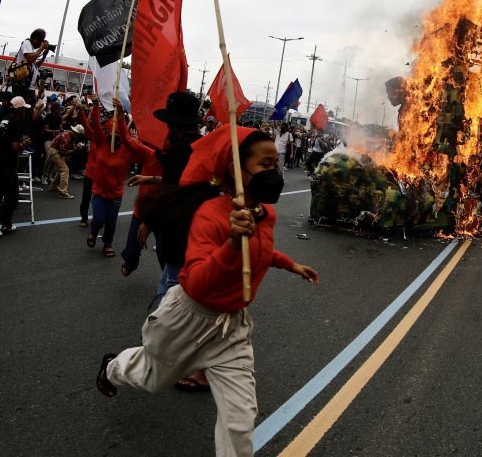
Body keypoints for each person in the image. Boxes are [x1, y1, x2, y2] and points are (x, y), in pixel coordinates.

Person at [96, 126, 319, 456]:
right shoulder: (211, 216)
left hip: (232, 327)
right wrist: (231, 243)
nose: (275, 173)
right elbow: (198, 282)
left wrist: (290, 265)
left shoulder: (265, 214)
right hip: (187, 318)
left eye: (276, 164)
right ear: (235, 171)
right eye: (266, 164)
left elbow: (260, 251)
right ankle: (113, 368)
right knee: (153, 379)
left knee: (240, 418)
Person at [120, 91, 201, 279]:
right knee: (167, 269)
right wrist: (150, 179)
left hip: (172, 221)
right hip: (189, 227)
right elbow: (182, 182)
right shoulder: (199, 146)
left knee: (170, 269)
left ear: (173, 124)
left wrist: (149, 222)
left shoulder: (180, 152)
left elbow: (174, 191)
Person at [86, 101, 148, 258]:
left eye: (119, 134)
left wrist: (136, 141)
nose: (115, 136)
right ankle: (94, 231)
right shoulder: (101, 142)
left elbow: (139, 157)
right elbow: (95, 125)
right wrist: (95, 106)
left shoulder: (126, 148)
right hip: (99, 191)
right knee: (99, 219)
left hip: (115, 193)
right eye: (111, 132)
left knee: (111, 222)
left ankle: (107, 244)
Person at [0, 96, 31, 237]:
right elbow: (15, 146)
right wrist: (24, 143)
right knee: (12, 197)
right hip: (7, 163)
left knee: (9, 193)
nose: (24, 112)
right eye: (23, 109)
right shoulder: (15, 123)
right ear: (20, 109)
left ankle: (7, 224)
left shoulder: (4, 119)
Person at [11, 29, 50, 103]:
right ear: (35, 38)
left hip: (29, 88)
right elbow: (30, 58)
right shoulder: (27, 43)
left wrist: (44, 56)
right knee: (20, 111)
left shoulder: (31, 49)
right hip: (22, 87)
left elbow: (35, 67)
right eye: (41, 41)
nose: (40, 45)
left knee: (29, 112)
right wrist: (41, 48)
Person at [46, 124, 85, 198]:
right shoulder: (66, 136)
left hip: (55, 151)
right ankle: (63, 192)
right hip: (55, 152)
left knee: (61, 169)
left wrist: (75, 149)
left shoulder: (70, 136)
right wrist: (75, 150)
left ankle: (53, 186)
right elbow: (63, 152)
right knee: (65, 170)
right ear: (76, 133)